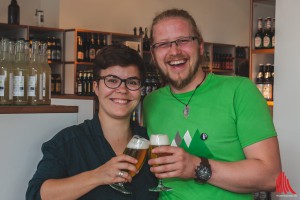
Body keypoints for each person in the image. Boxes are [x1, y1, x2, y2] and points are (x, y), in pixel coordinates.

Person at [143, 8, 281, 200]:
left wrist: (196, 167)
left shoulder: (240, 91)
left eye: (183, 40)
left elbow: (271, 176)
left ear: (200, 46)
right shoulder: (151, 102)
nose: (174, 51)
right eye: (163, 44)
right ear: (153, 53)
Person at [26, 44, 158, 200]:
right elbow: (36, 195)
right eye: (112, 80)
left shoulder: (150, 143)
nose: (122, 89)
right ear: (96, 87)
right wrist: (97, 176)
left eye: (132, 82)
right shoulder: (68, 141)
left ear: (140, 90)